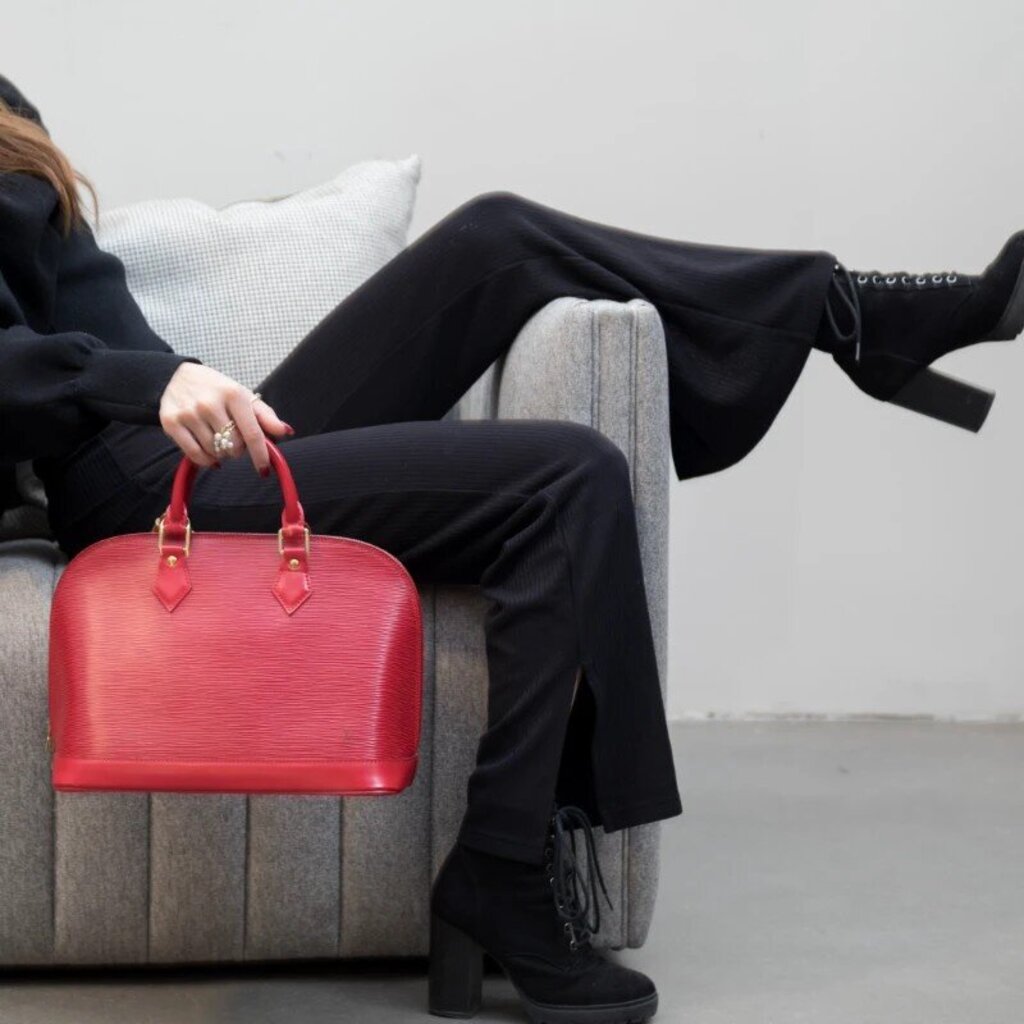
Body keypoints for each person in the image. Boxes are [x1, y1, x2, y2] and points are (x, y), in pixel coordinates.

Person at [2, 72, 1022, 1024]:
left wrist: (168, 381)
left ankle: (852, 315)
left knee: (499, 238)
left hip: (201, 436)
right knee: (566, 476)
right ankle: (503, 862)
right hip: (140, 482)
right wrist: (138, 383)